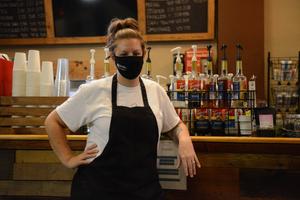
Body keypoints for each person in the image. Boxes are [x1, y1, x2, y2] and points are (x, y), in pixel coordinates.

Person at [45, 17, 200, 200]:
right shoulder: (93, 90)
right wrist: (68, 158)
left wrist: (184, 139)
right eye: (124, 54)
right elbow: (53, 121)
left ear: (143, 53)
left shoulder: (155, 91)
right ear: (112, 55)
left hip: (145, 191)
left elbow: (174, 125)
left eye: (136, 53)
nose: (131, 59)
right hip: (97, 191)